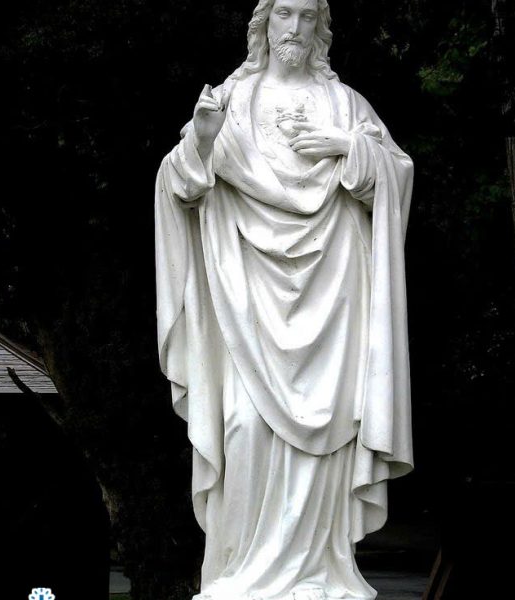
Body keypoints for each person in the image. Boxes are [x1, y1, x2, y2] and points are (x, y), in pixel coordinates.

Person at [155, 1, 414, 599]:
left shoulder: (346, 105)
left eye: (305, 17)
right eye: (283, 15)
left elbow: (394, 177)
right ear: (263, 25)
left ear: (320, 29)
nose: (294, 28)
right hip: (245, 297)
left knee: (331, 436)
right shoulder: (230, 100)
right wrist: (202, 139)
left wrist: (347, 146)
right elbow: (178, 184)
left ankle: (321, 573)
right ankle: (242, 574)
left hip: (335, 293)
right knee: (244, 426)